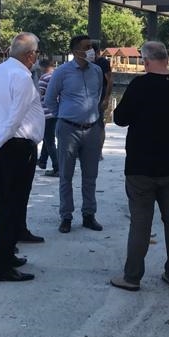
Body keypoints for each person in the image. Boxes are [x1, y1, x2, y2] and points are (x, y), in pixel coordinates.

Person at [109, 41, 169, 291]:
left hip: (141, 165)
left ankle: (132, 277)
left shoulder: (139, 85)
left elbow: (120, 119)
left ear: (146, 61)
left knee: (140, 222)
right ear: (167, 58)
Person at [0, 32, 46, 282]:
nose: (37, 57)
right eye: (36, 53)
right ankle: (1, 265)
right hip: (15, 145)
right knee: (12, 204)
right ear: (30, 55)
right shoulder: (22, 77)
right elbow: (15, 117)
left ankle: (7, 252)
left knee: (4, 203)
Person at [44, 34, 106, 233]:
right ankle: (66, 216)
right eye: (87, 47)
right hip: (68, 130)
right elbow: (50, 100)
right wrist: (64, 116)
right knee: (66, 175)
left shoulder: (97, 71)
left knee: (91, 176)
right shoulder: (62, 72)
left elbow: (98, 95)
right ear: (75, 51)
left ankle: (89, 215)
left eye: (92, 47)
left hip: (92, 129)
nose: (91, 51)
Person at [36, 57, 58, 177]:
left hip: (46, 113)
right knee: (48, 138)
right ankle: (42, 161)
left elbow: (39, 95)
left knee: (49, 141)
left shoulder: (44, 78)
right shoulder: (58, 76)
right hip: (57, 112)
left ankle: (57, 167)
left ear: (42, 67)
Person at [92, 41, 114, 161]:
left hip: (100, 95)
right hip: (88, 96)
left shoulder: (103, 62)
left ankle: (99, 151)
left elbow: (109, 81)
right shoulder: (86, 62)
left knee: (99, 123)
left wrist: (106, 98)